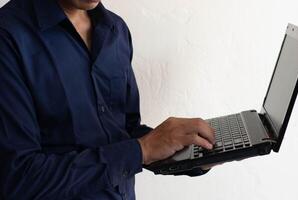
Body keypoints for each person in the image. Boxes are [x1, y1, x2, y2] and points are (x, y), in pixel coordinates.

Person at [0, 0, 215, 199]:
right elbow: (17, 177)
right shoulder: (7, 36)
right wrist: (142, 150)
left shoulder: (115, 29)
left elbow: (125, 131)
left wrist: (191, 153)